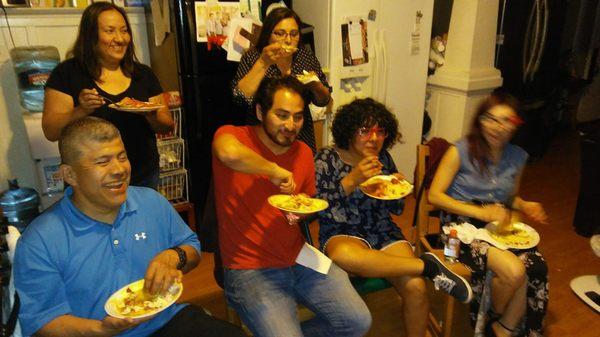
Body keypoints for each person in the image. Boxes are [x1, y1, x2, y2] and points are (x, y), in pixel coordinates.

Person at [13, 117, 245, 337]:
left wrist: (173, 257)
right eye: (103, 162)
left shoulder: (150, 202)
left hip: (165, 321)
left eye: (122, 157)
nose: (119, 170)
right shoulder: (40, 240)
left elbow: (192, 247)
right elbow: (42, 322)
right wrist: (100, 329)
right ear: (69, 174)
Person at [213, 76, 371, 337]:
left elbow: (305, 204)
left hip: (299, 256)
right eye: (282, 115)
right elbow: (228, 154)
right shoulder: (233, 135)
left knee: (357, 321)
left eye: (297, 117)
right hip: (248, 267)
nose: (290, 125)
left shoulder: (303, 153)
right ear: (260, 111)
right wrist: (273, 170)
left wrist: (299, 214)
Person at [315, 98, 473, 337]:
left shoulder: (384, 159)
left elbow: (397, 208)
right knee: (343, 255)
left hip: (382, 231)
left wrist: (400, 186)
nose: (374, 138)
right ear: (348, 130)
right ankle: (427, 266)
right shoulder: (327, 158)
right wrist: (351, 180)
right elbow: (319, 207)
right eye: (365, 131)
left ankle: (422, 273)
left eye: (380, 132)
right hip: (342, 231)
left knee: (416, 287)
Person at [428, 93, 549, 337]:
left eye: (506, 121)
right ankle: (492, 312)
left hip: (497, 225)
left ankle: (503, 327)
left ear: (515, 125)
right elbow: (435, 196)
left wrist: (524, 204)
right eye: (490, 119)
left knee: (536, 266)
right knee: (514, 271)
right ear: (480, 121)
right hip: (458, 229)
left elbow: (509, 198)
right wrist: (478, 211)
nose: (497, 127)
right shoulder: (460, 151)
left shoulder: (517, 156)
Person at [42, 2, 173, 189]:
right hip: (90, 181)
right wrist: (81, 110)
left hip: (142, 175)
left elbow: (166, 125)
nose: (120, 38)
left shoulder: (143, 74)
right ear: (91, 35)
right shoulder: (67, 73)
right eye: (110, 31)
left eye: (124, 30)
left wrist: (150, 114)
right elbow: (51, 131)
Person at [232, 7, 331, 153]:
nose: (288, 40)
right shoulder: (254, 57)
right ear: (268, 35)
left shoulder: (305, 57)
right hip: (264, 137)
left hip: (300, 134)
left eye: (294, 34)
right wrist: (263, 63)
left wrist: (315, 85)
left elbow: (324, 100)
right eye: (280, 34)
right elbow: (239, 98)